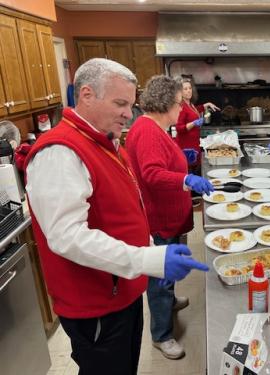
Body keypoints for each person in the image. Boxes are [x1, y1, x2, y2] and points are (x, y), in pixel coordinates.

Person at [24, 58, 209, 375]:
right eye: (120, 103)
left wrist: (151, 250)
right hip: (95, 302)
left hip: (120, 288)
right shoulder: (60, 152)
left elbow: (129, 205)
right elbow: (67, 237)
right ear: (86, 95)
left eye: (131, 104)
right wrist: (146, 261)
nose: (128, 113)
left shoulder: (104, 141)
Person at [125, 75, 214, 359]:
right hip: (160, 217)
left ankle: (170, 301)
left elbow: (162, 161)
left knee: (169, 268)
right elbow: (152, 174)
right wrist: (186, 179)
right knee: (161, 274)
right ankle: (161, 335)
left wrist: (181, 158)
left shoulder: (154, 127)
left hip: (169, 214)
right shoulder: (149, 130)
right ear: (165, 103)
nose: (181, 109)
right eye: (178, 103)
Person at [175, 77, 220, 174]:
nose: (188, 91)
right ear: (180, 92)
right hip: (186, 147)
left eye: (190, 88)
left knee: (195, 170)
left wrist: (206, 105)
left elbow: (194, 111)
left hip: (194, 144)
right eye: (185, 89)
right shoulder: (181, 106)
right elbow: (179, 128)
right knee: (190, 173)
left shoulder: (190, 104)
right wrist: (194, 123)